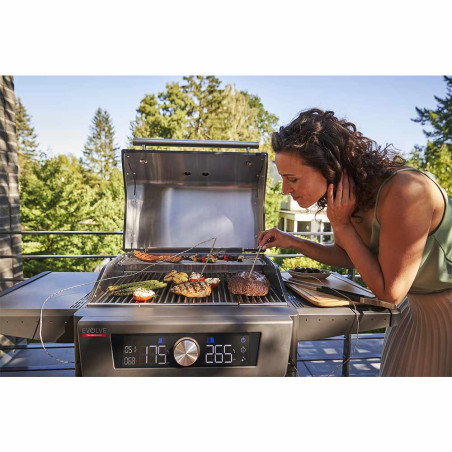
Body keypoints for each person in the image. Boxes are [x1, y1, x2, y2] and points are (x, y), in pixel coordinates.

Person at [258, 108, 452, 377]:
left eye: (292, 179)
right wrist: (291, 240)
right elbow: (346, 255)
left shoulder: (407, 191)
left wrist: (340, 224)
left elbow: (390, 293)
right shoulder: (353, 197)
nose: (285, 189)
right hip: (414, 310)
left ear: (327, 167)